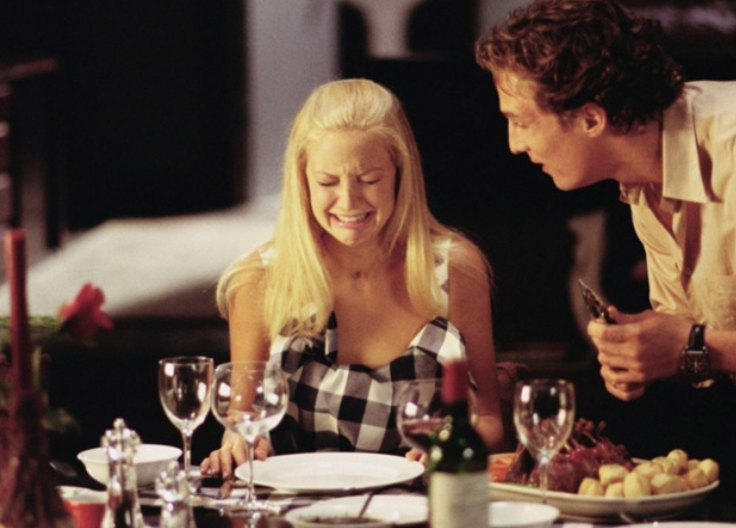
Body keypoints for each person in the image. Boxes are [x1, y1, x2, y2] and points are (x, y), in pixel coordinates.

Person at [475, 0, 736, 490]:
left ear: (592, 119)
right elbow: (699, 339)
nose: (514, 143)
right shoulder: (643, 175)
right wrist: (646, 353)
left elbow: (700, 343)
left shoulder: (731, 149)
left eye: (522, 120)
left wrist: (693, 347)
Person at [200, 78, 504, 493]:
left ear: (400, 174)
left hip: (423, 506)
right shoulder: (259, 280)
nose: (348, 201)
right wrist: (240, 443)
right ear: (302, 182)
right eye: (327, 182)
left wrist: (451, 446)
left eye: (369, 179)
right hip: (295, 512)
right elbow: (242, 421)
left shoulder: (456, 270)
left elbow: (490, 420)